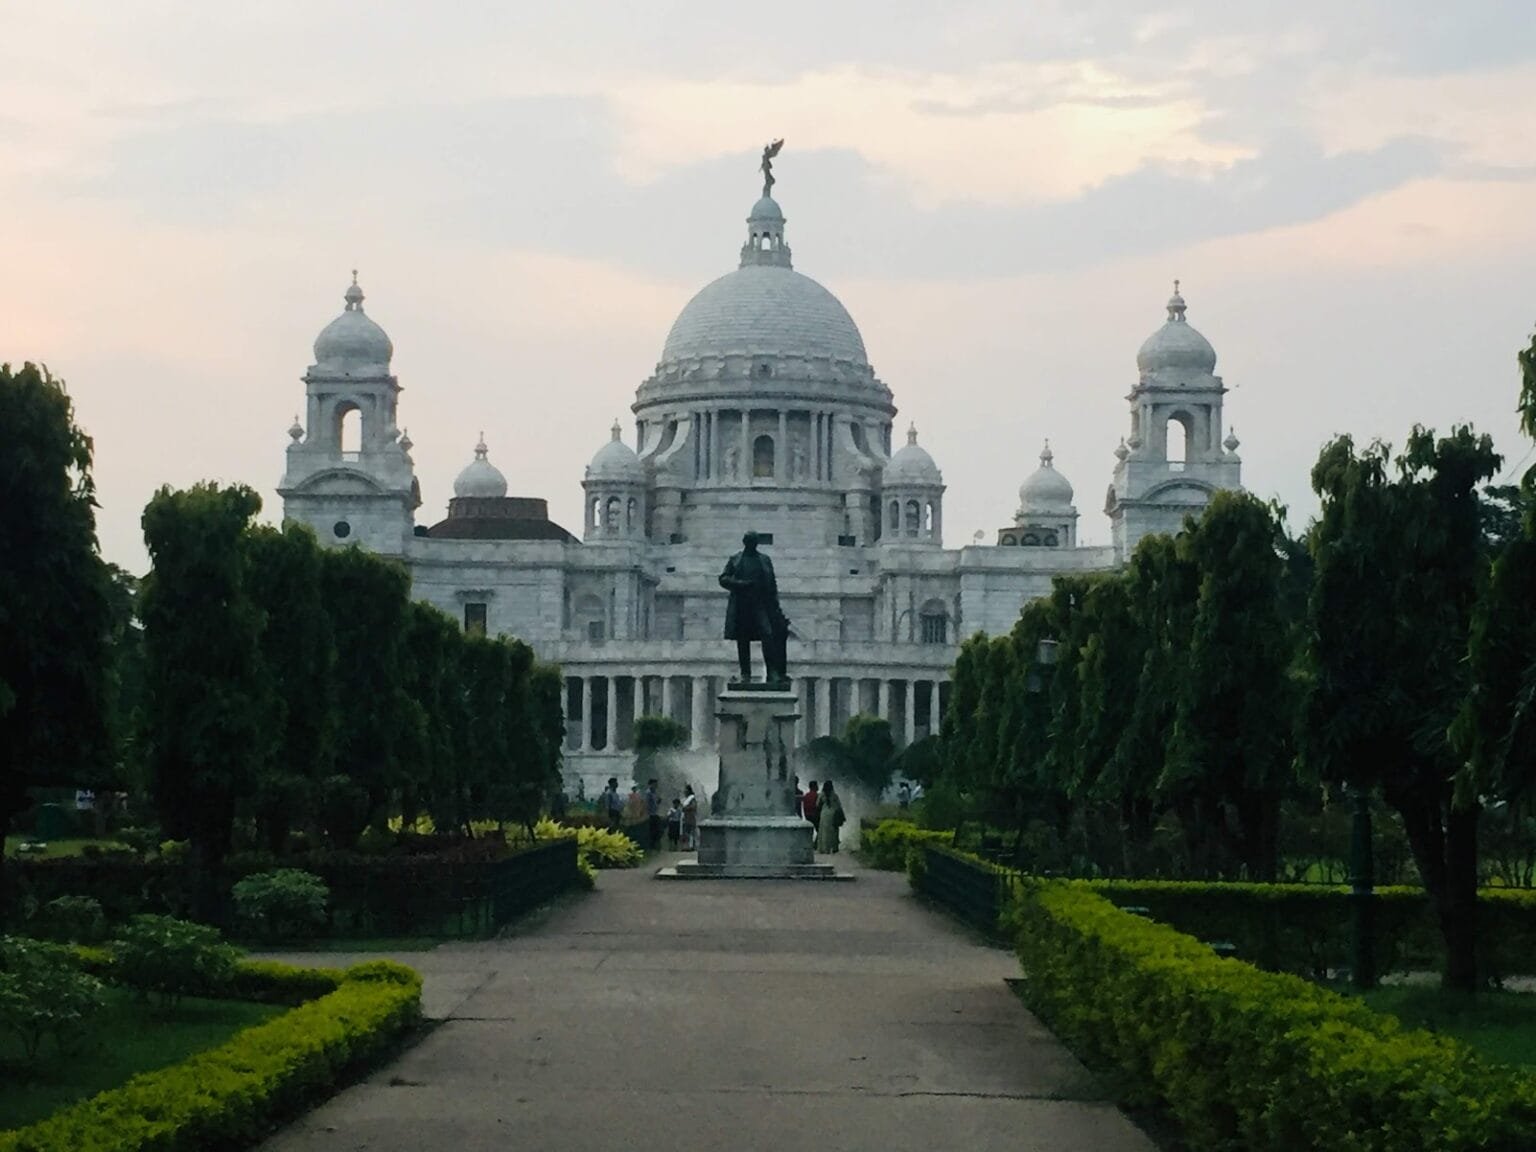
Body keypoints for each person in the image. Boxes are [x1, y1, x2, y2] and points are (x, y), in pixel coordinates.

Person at [719, 531, 791, 683]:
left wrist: (776, 606)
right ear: (745, 542)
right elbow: (723, 578)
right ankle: (745, 673)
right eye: (750, 541)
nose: (753, 544)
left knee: (768, 634)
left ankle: (772, 671)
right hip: (742, 605)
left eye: (755, 541)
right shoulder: (735, 559)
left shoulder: (764, 560)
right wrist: (741, 584)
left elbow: (772, 584)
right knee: (743, 639)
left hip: (761, 604)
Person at [817, 781, 844, 854]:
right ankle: (834, 847)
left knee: (824, 831)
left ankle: (824, 848)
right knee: (833, 831)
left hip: (824, 814)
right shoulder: (835, 795)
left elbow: (817, 805)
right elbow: (839, 806)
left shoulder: (821, 795)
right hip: (833, 814)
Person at [645, 779, 662, 850]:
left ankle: (655, 845)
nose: (656, 786)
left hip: (655, 813)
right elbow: (647, 804)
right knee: (652, 831)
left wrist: (658, 801)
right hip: (651, 814)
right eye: (655, 784)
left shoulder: (654, 793)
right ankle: (651, 846)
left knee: (656, 831)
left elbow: (654, 804)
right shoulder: (648, 793)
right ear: (651, 784)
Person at [682, 785, 699, 850]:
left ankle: (691, 846)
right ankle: (686, 846)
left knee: (691, 832)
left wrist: (686, 808)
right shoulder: (686, 799)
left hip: (690, 817)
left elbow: (693, 806)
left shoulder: (692, 798)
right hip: (686, 817)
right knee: (686, 832)